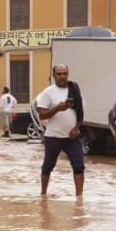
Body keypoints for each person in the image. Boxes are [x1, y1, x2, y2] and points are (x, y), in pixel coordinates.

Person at [35, 64, 85, 197]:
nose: (62, 76)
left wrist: (76, 128)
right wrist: (57, 108)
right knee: (48, 166)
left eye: (65, 73)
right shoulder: (48, 92)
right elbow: (42, 115)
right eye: (59, 74)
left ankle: (79, 198)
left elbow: (80, 112)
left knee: (79, 165)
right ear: (54, 75)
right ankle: (43, 194)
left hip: (72, 137)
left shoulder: (74, 89)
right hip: (53, 137)